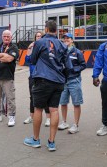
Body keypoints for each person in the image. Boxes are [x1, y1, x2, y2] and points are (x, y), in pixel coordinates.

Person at [24, 20, 67, 151]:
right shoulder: (62, 44)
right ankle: (51, 142)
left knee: (38, 109)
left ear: (46, 29)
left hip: (43, 79)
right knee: (54, 109)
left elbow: (33, 59)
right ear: (56, 30)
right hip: (58, 81)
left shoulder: (40, 42)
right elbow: (67, 65)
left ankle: (36, 140)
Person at [0, 30, 19, 127]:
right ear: (2, 37)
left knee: (10, 98)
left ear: (11, 37)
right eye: (4, 36)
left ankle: (11, 116)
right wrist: (4, 55)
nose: (6, 38)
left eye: (8, 36)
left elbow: (10, 59)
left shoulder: (14, 47)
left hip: (8, 78)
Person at [58, 33, 86, 134]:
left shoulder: (77, 52)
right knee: (63, 102)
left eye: (68, 38)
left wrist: (74, 69)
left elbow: (83, 65)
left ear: (72, 40)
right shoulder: (60, 52)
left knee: (76, 103)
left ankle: (76, 125)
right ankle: (64, 122)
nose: (66, 40)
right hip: (63, 81)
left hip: (74, 80)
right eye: (64, 39)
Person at [24, 31, 51, 127]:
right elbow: (27, 60)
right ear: (35, 38)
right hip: (33, 76)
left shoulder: (45, 47)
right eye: (37, 36)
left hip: (43, 76)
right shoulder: (32, 47)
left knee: (46, 97)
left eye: (40, 36)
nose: (38, 37)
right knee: (32, 97)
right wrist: (29, 48)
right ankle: (31, 117)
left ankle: (48, 118)